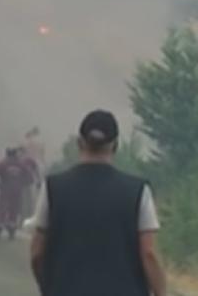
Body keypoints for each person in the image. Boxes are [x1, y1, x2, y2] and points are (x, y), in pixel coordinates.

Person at [29, 110, 166, 296]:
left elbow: (37, 253)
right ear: (115, 146)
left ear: (80, 143)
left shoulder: (52, 188)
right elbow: (148, 254)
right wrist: (161, 292)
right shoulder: (139, 191)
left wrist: (49, 287)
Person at [0, 147, 36, 240]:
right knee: (14, 210)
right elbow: (31, 178)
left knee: (1, 209)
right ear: (15, 154)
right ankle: (11, 230)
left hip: (5, 190)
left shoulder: (3, 163)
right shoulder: (21, 165)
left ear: (7, 154)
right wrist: (22, 184)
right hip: (17, 191)